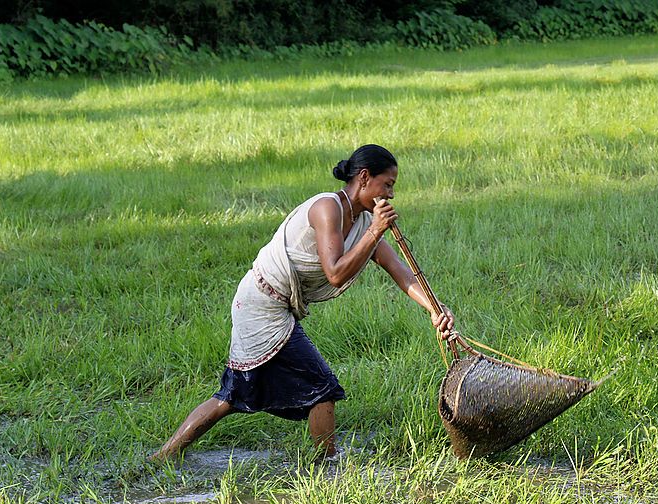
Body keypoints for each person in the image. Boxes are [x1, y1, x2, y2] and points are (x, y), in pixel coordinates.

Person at [151, 144, 455, 461]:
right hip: (262, 303)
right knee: (322, 390)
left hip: (277, 307)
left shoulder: (363, 223)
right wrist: (376, 230)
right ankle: (327, 464)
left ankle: (165, 455)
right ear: (364, 178)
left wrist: (436, 308)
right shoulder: (328, 209)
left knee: (232, 396)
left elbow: (401, 273)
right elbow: (335, 273)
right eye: (387, 184)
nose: (390, 194)